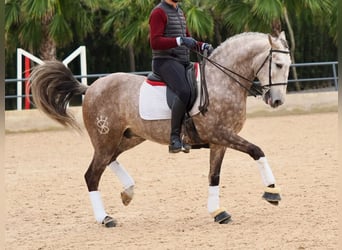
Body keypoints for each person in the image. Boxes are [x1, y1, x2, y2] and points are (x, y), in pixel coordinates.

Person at [149, 0, 213, 153]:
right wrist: (179, 41)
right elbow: (155, 42)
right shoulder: (158, 12)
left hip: (183, 61)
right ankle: (174, 138)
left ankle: (192, 133)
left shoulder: (179, 11)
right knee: (184, 91)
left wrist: (201, 45)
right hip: (164, 61)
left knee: (198, 86)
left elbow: (187, 38)